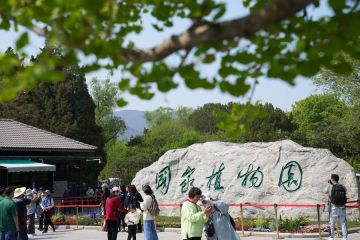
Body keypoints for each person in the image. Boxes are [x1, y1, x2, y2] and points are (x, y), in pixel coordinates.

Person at [328, 174, 348, 240]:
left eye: (331, 178)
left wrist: (328, 184)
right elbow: (345, 196)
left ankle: (331, 237)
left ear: (332, 179)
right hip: (342, 207)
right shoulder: (343, 187)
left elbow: (328, 194)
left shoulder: (331, 187)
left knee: (332, 223)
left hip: (334, 207)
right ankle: (345, 237)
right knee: (343, 223)